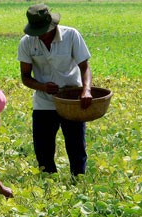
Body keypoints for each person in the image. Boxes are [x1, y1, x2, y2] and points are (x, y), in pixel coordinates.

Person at [17, 4, 93, 177]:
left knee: (76, 146)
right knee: (43, 149)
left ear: (52, 25)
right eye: (37, 32)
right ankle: (49, 184)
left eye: (43, 31)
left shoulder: (71, 35)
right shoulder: (27, 42)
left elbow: (85, 66)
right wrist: (42, 87)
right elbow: (25, 77)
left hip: (71, 100)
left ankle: (78, 180)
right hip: (44, 102)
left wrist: (86, 90)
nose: (41, 36)